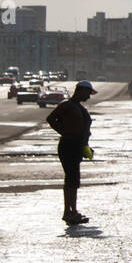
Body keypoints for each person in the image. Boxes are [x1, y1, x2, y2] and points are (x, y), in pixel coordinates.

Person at [46, 81, 97, 225]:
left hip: (76, 146)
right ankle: (69, 212)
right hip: (68, 145)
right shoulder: (67, 105)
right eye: (87, 93)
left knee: (73, 179)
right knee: (71, 179)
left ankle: (71, 211)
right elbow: (51, 119)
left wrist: (85, 145)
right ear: (80, 91)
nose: (88, 97)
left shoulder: (78, 107)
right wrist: (65, 131)